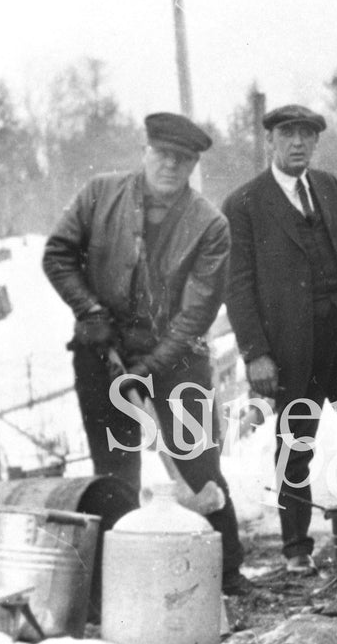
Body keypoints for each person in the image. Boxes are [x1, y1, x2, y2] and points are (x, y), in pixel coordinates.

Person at [42, 112, 249, 594]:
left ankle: (227, 569)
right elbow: (57, 254)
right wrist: (89, 310)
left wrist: (148, 369)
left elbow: (195, 315)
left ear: (194, 165)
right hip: (101, 352)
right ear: (144, 153)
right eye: (163, 155)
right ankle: (114, 582)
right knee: (113, 471)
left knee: (197, 461)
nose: (171, 166)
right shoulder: (99, 195)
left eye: (183, 160)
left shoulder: (209, 225)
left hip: (176, 358)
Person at [221, 104, 337, 577]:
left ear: (316, 142)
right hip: (292, 349)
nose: (298, 142)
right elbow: (238, 287)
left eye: (306, 135)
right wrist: (256, 353)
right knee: (295, 444)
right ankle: (297, 547)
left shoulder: (329, 187)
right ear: (271, 142)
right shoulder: (244, 204)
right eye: (287, 134)